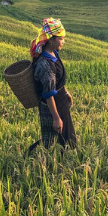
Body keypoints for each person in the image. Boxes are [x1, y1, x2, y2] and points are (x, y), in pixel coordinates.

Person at [25, 18, 76, 156]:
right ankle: (30, 157)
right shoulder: (45, 64)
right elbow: (48, 93)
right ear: (51, 40)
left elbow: (57, 81)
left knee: (66, 136)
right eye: (61, 38)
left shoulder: (54, 54)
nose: (64, 41)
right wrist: (56, 117)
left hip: (60, 101)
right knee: (49, 139)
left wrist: (65, 92)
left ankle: (63, 160)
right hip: (51, 106)